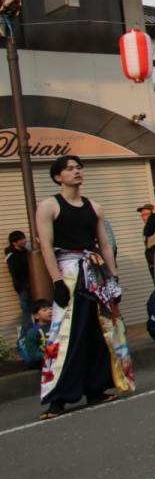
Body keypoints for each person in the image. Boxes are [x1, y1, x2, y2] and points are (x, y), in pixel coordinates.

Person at [34, 155, 133, 419]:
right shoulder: (49, 206)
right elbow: (46, 245)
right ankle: (58, 397)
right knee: (65, 334)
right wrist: (56, 282)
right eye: (69, 169)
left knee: (99, 329)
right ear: (58, 177)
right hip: (67, 271)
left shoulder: (95, 207)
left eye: (79, 167)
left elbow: (104, 243)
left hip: (95, 271)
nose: (76, 172)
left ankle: (96, 387)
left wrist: (113, 277)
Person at [5, 229, 31, 328]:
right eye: (21, 239)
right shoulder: (12, 256)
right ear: (14, 242)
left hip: (32, 287)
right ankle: (24, 339)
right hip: (23, 288)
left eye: (24, 238)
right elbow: (15, 273)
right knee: (27, 314)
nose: (24, 240)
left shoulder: (26, 252)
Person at [18, 299, 53, 369]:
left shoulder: (56, 327)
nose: (49, 312)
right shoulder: (33, 332)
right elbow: (33, 353)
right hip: (43, 363)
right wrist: (47, 356)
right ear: (36, 316)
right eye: (44, 310)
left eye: (51, 309)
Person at [137, 203, 155, 280]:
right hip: (152, 264)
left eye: (146, 214)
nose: (144, 217)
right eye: (142, 215)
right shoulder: (145, 229)